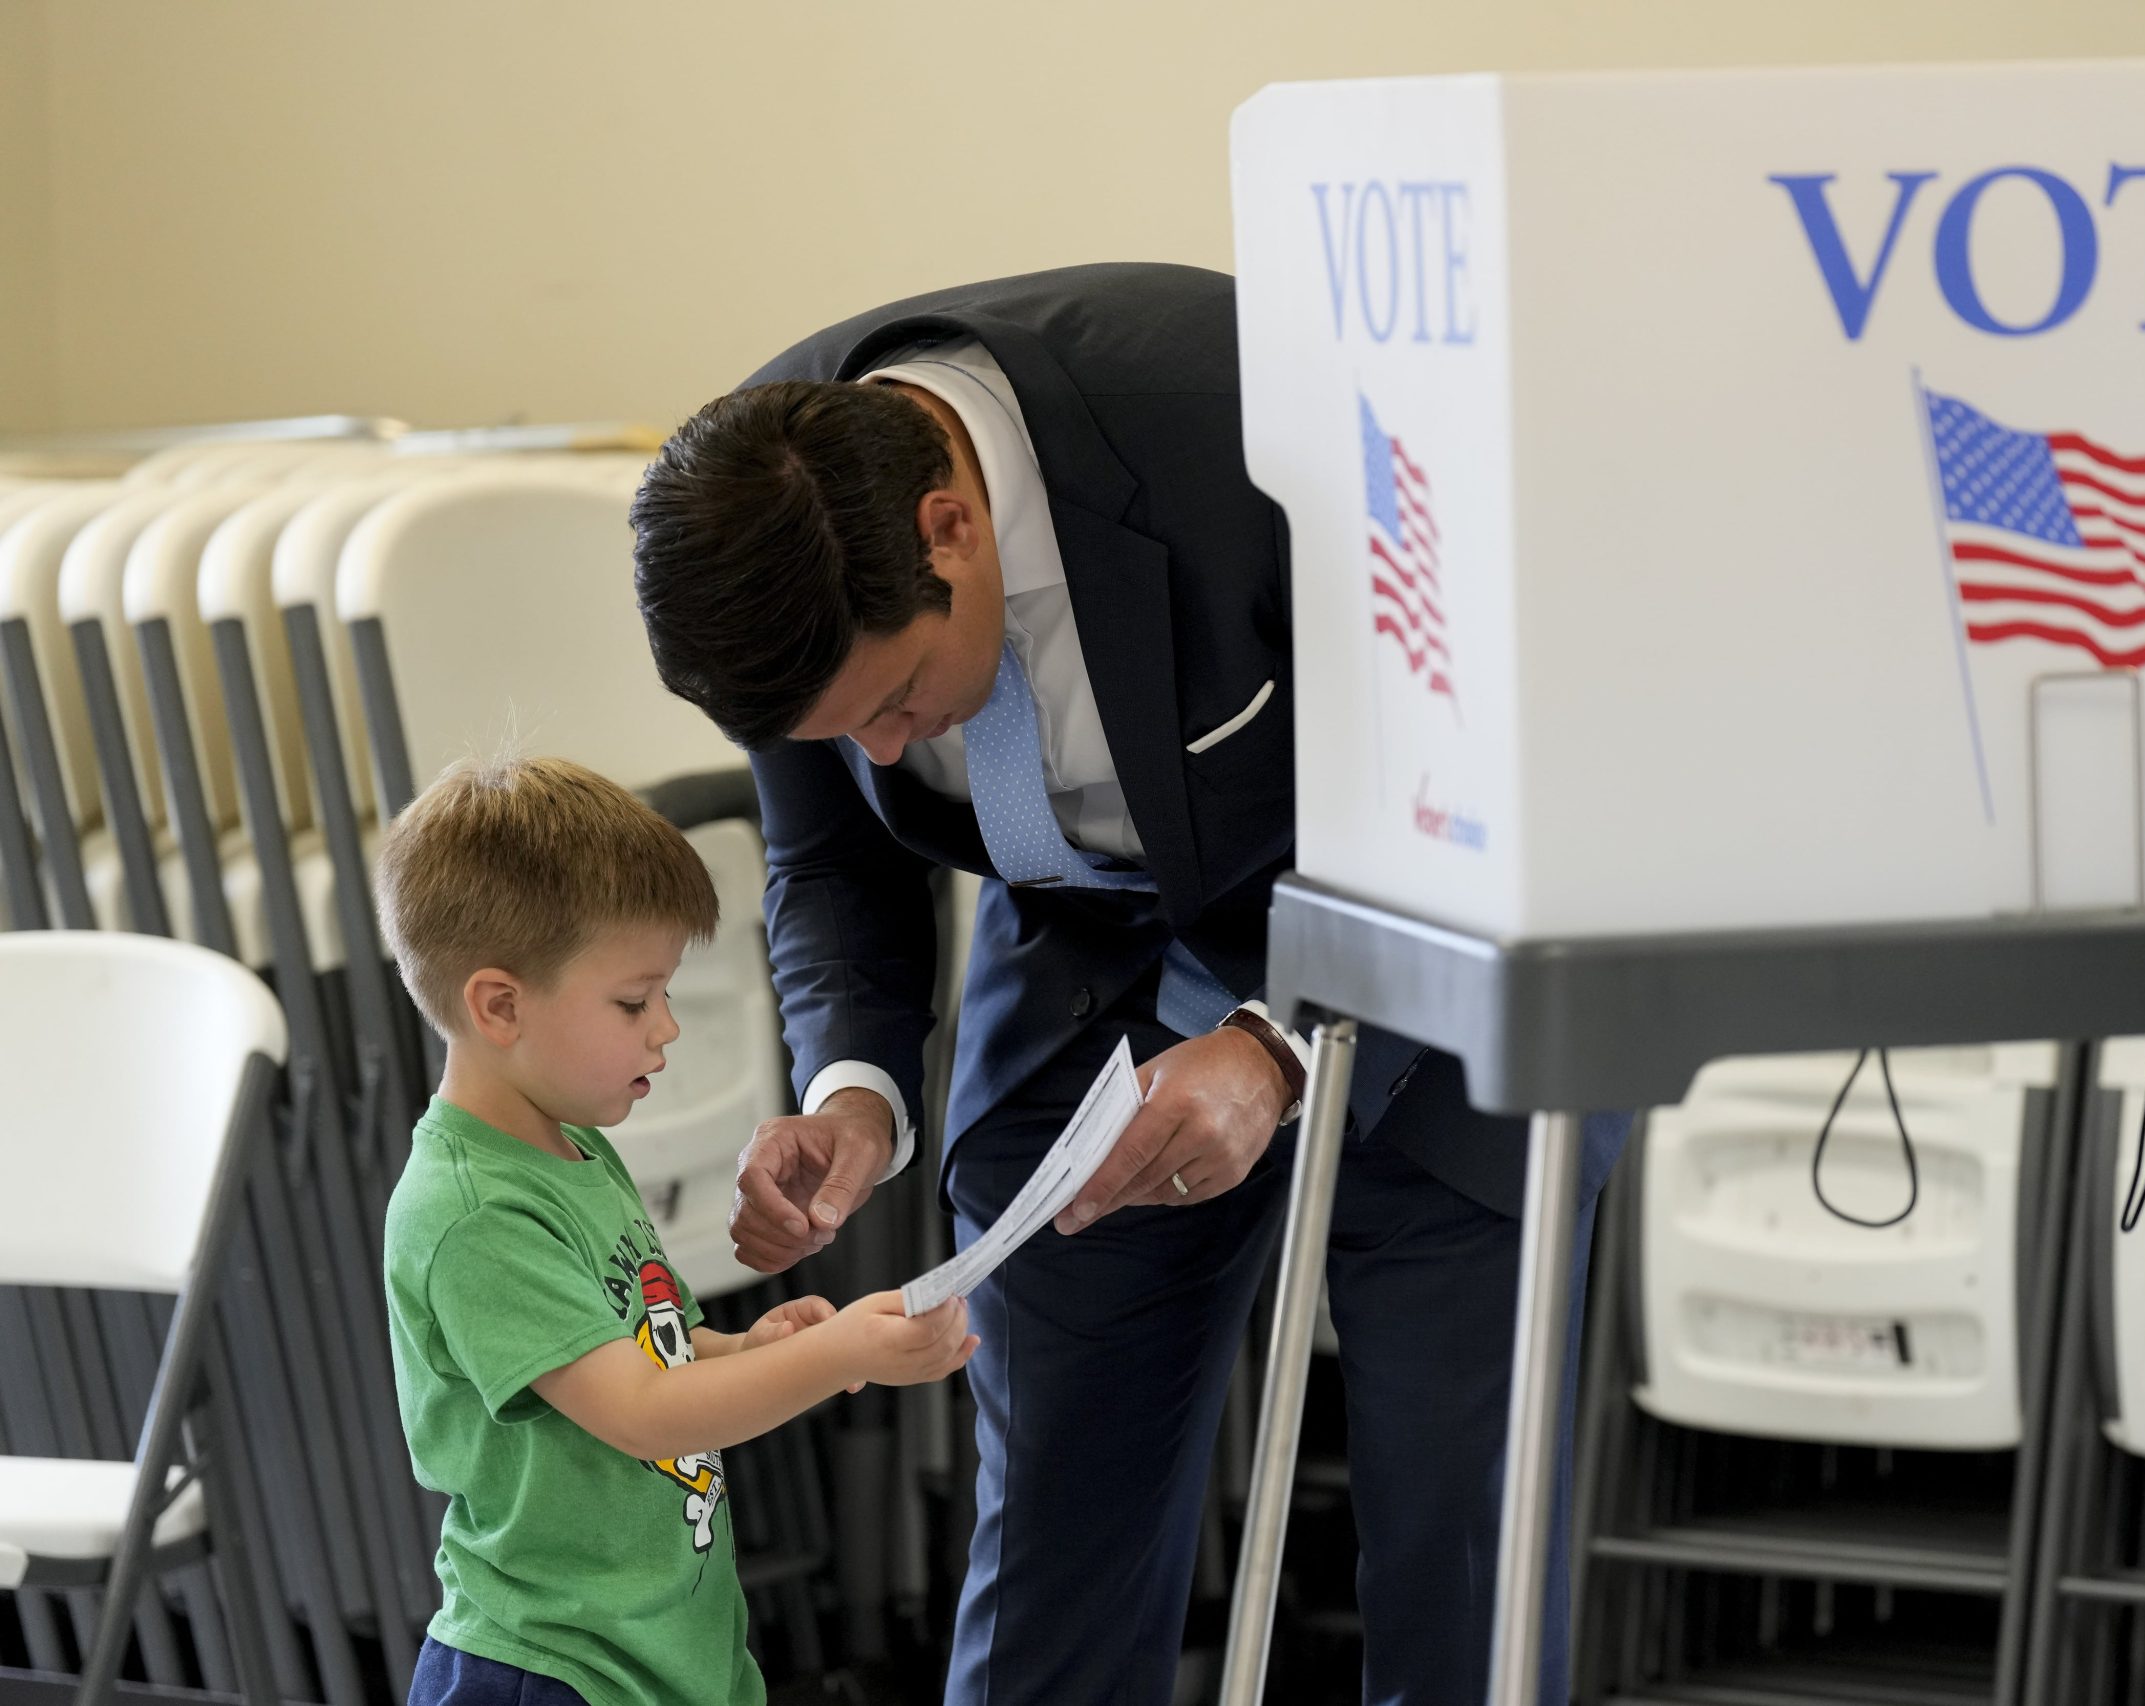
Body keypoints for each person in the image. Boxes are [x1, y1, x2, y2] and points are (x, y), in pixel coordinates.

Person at [630, 263, 1626, 1706]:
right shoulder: (757, 528)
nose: (896, 746)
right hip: (1082, 972)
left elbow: (1488, 769)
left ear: (951, 527)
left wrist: (1275, 1044)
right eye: (858, 730)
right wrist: (852, 1090)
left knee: (1458, 1551)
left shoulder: (1263, 423)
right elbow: (833, 862)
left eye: (901, 697)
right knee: (1050, 1542)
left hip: (1429, 938)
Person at [376, 753, 979, 1706]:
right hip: (552, 1668)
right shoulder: (473, 1211)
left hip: (660, 1651)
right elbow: (642, 1412)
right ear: (500, 1004)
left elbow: (648, 1347)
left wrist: (741, 1344)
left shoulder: (574, 1149)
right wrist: (838, 1356)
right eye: (633, 1000)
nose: (666, 1029)